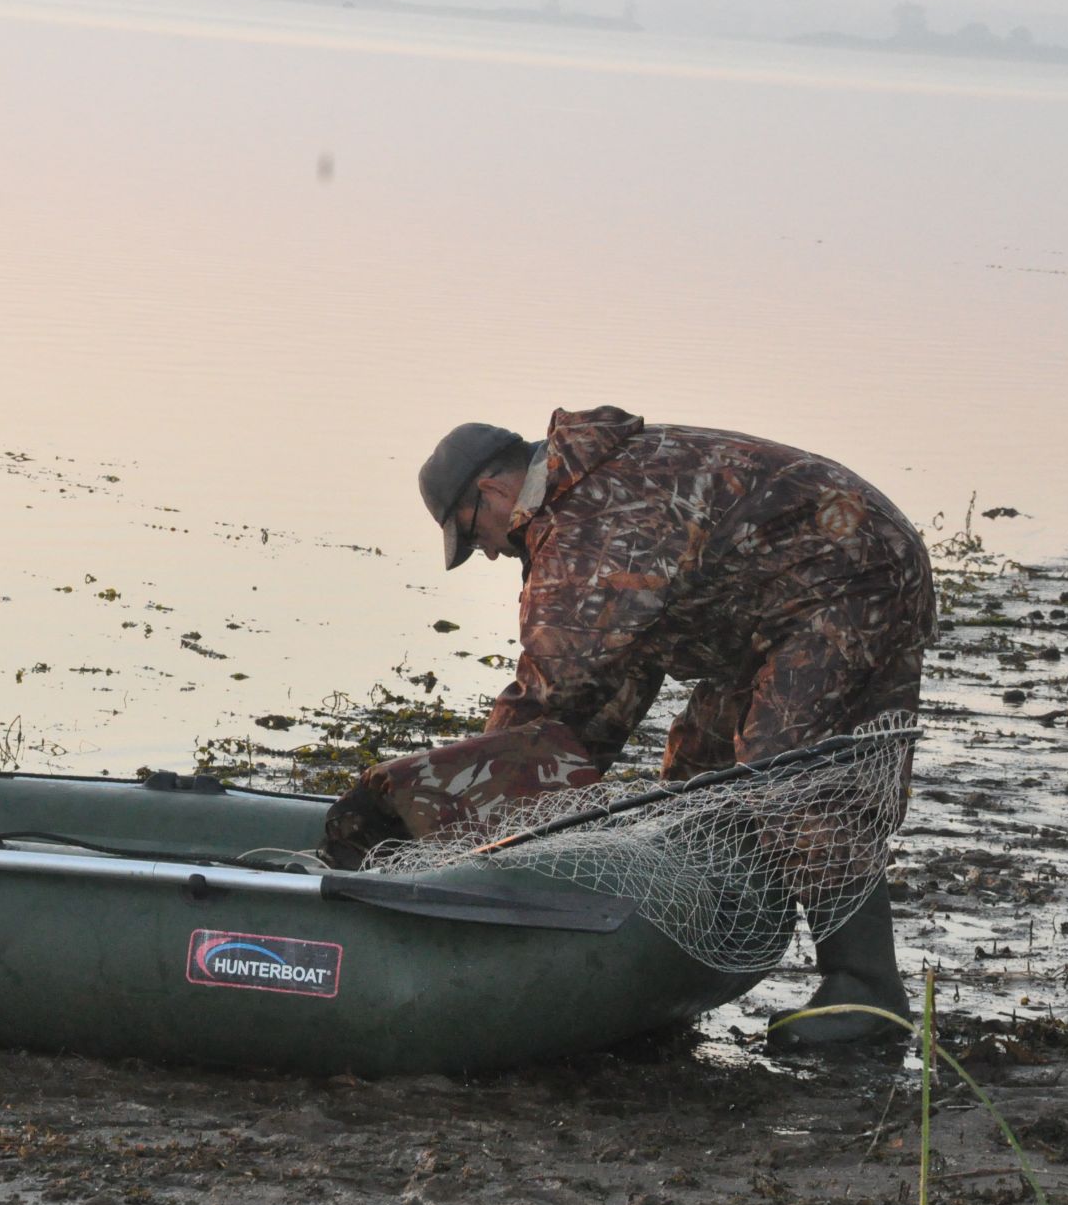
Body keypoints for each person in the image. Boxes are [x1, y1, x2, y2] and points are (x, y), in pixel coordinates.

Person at [392, 405, 935, 1049]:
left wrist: (459, 798)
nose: (483, 553)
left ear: (492, 490)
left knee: (786, 771)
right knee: (699, 768)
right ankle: (697, 957)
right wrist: (543, 797)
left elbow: (552, 687)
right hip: (789, 597)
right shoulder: (590, 493)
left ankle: (867, 988)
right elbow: (613, 684)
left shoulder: (585, 518)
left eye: (470, 533)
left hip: (847, 579)